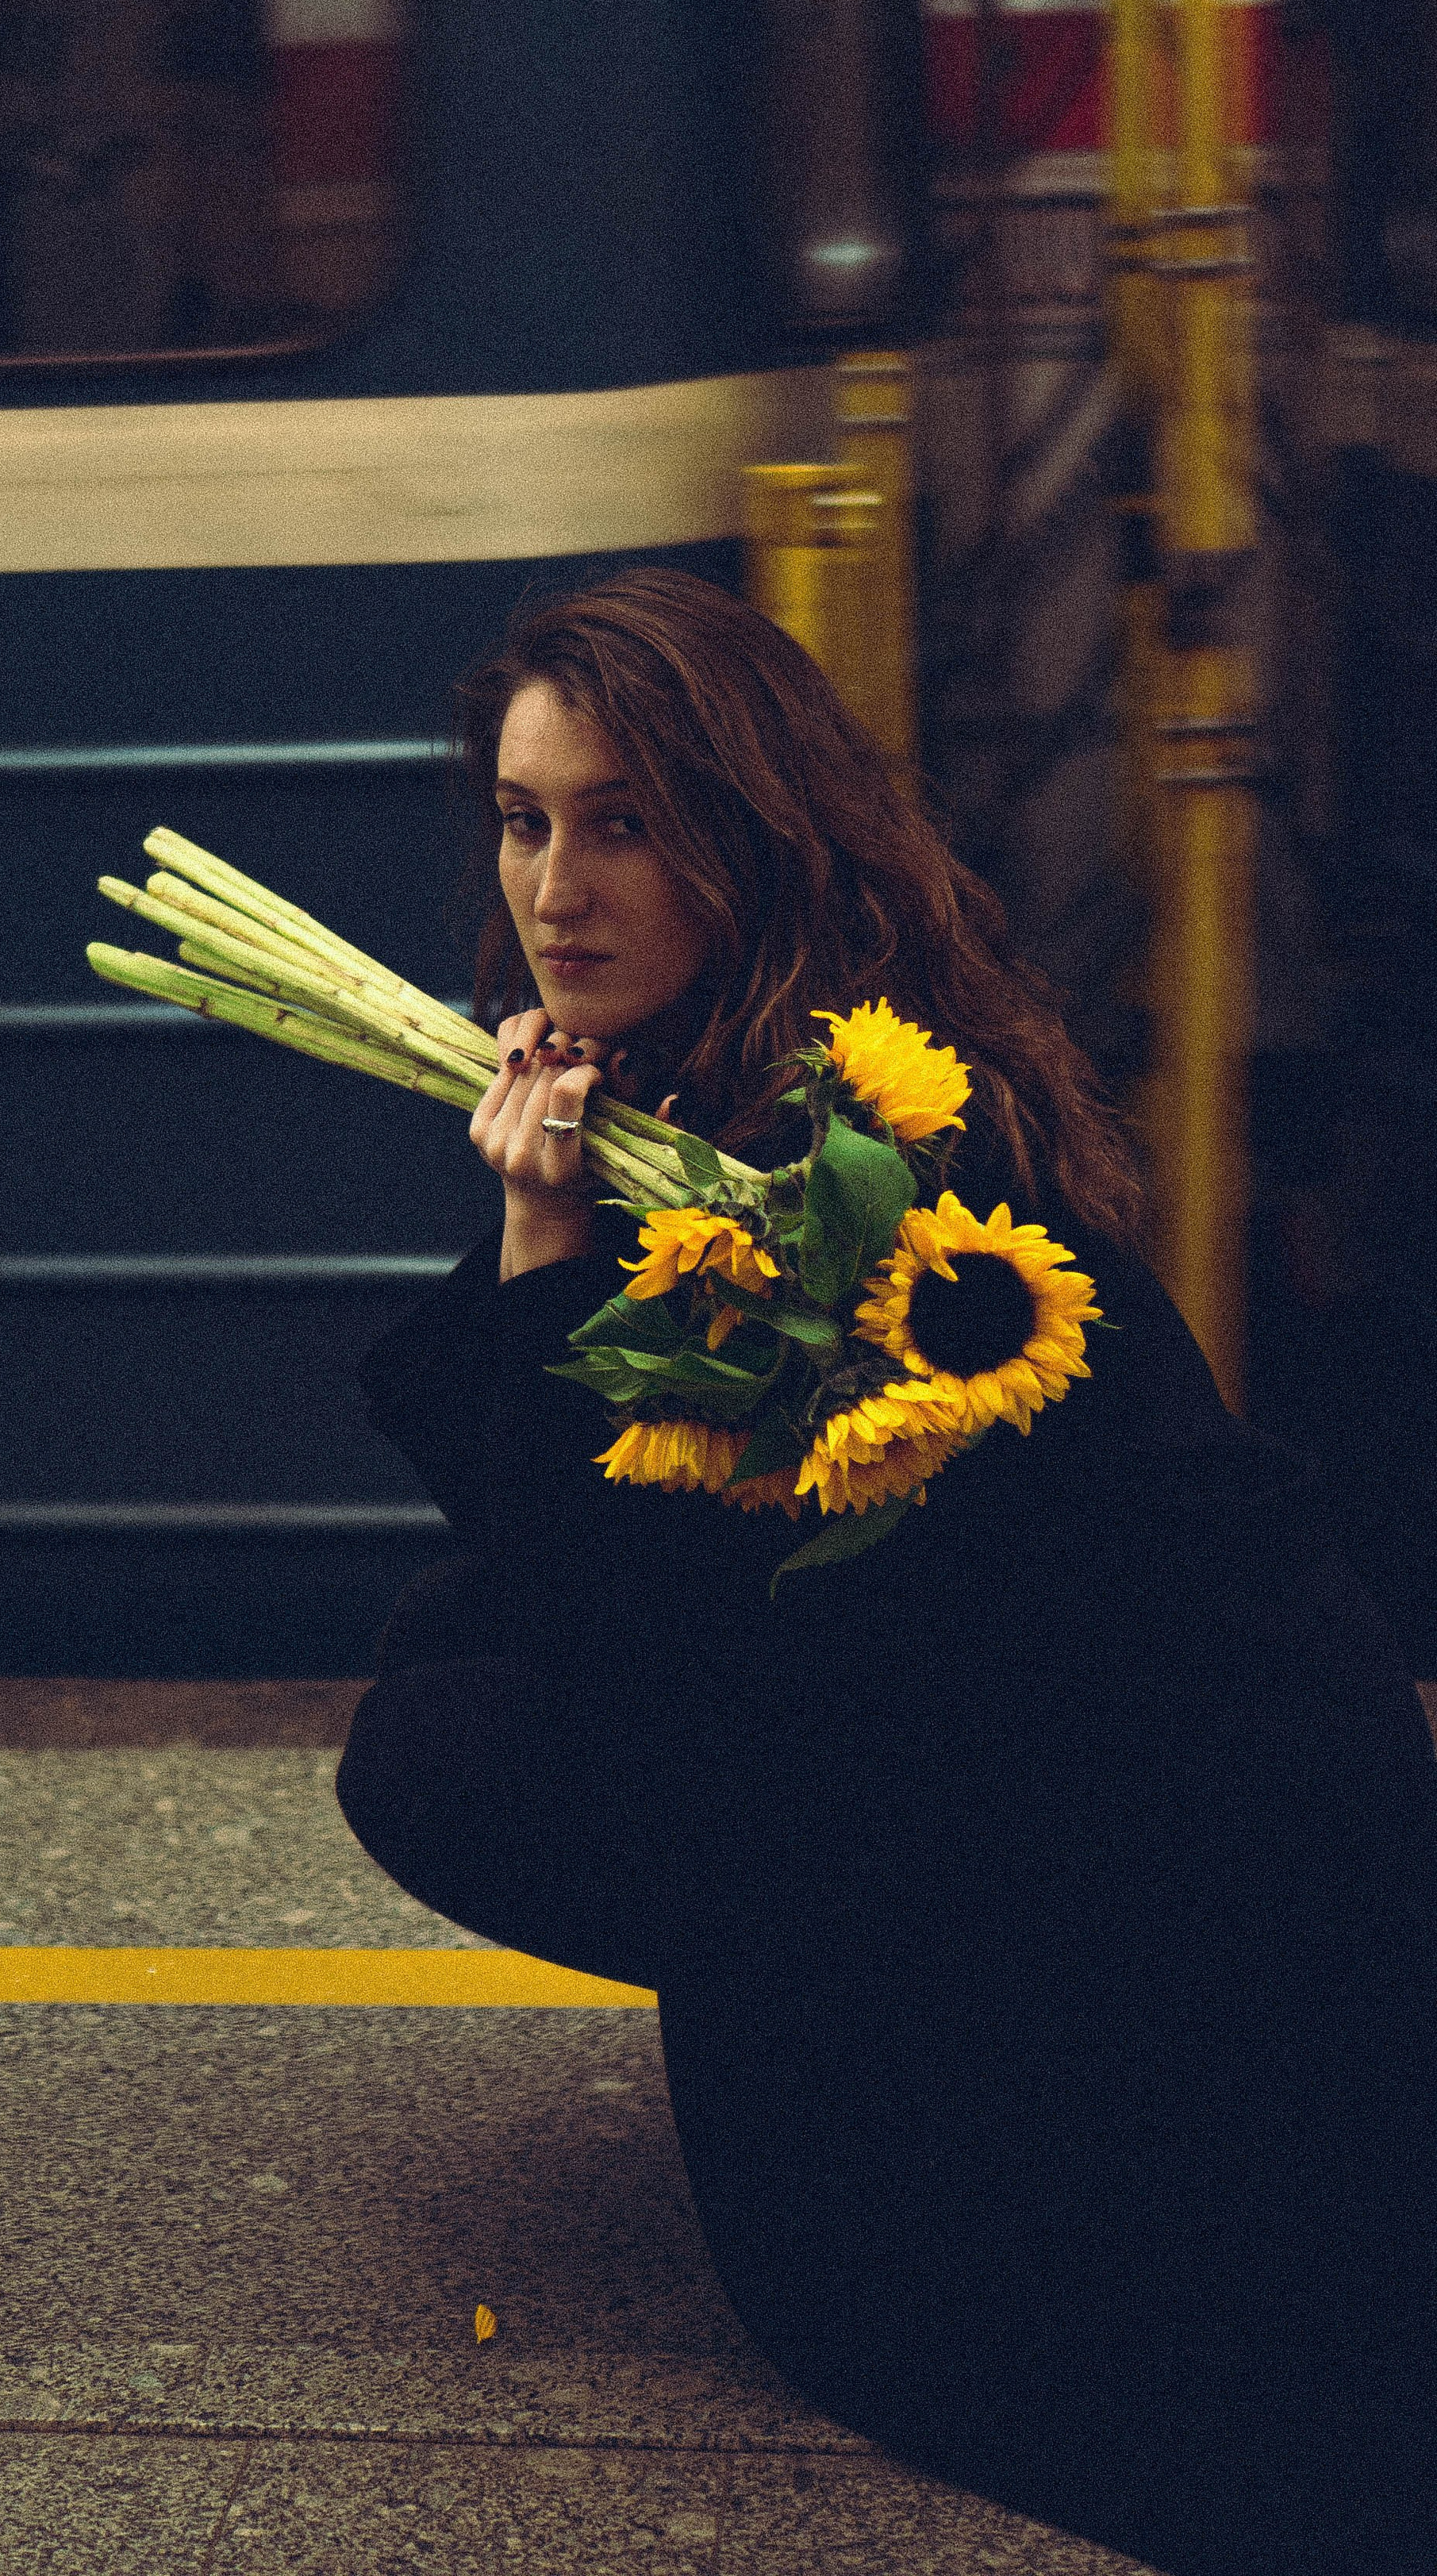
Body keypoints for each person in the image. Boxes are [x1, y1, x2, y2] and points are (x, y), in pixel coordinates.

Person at [333, 567, 1437, 2576]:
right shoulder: (756, 1080)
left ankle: (889, 2030)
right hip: (1068, 1752)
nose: (553, 889)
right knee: (438, 1659)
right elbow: (589, 1557)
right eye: (521, 821)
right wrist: (559, 1226)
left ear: (748, 841)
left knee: (444, 1738)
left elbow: (629, 1622)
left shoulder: (854, 1172)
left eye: (624, 821)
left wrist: (531, 1250)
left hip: (1157, 1840)